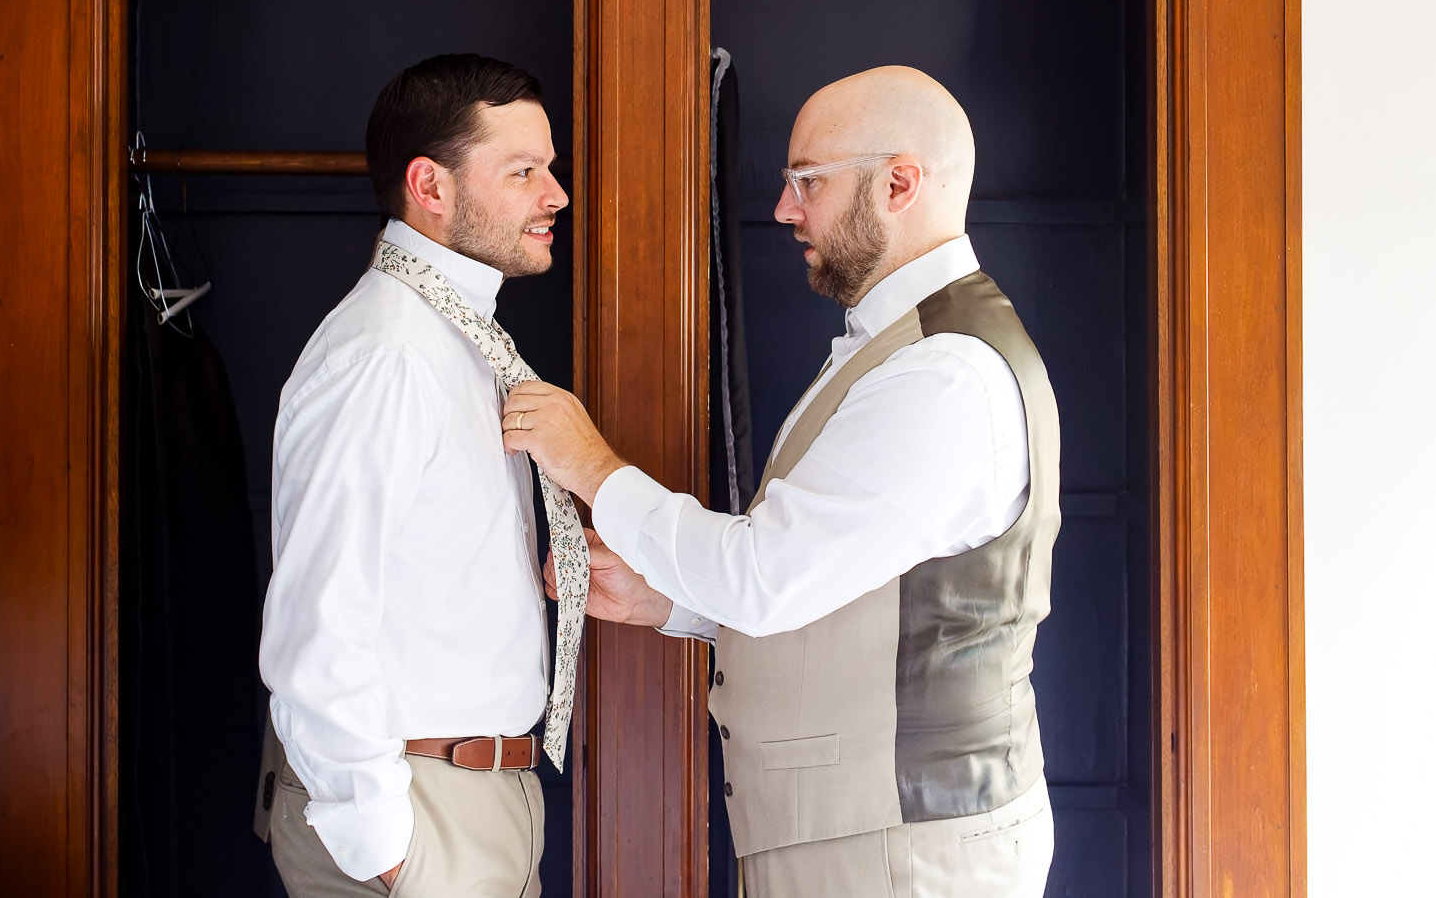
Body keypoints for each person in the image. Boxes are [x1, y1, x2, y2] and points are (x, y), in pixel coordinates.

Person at [503, 65, 1060, 898]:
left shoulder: (943, 373)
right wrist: (669, 598)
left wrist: (591, 463)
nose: (783, 208)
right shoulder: (908, 350)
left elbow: (767, 574)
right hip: (871, 842)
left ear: (899, 183)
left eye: (808, 181)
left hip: (901, 856)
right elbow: (828, 581)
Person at [260, 53, 584, 898]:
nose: (557, 194)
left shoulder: (456, 340)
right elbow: (318, 620)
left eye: (549, 169)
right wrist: (386, 848)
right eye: (524, 171)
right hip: (414, 812)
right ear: (429, 186)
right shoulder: (388, 354)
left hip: (476, 803)